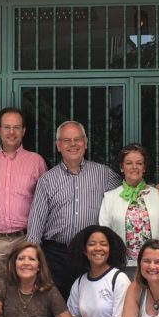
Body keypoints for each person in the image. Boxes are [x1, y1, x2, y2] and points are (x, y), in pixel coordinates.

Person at [27, 120, 120, 298]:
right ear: (58, 145)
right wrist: (32, 257)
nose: (73, 144)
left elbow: (128, 192)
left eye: (77, 139)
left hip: (90, 254)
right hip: (55, 256)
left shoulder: (104, 175)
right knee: (56, 307)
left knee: (91, 305)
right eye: (66, 140)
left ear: (85, 143)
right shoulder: (47, 180)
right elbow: (36, 224)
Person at [0, 108, 47, 296]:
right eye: (7, 127)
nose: (11, 132)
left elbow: (45, 203)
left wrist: (34, 242)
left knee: (25, 295)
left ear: (23, 131)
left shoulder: (36, 162)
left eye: (16, 127)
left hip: (23, 241)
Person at [98, 143, 159, 274]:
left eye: (139, 163)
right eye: (129, 163)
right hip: (121, 267)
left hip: (156, 266)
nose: (134, 167)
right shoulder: (110, 197)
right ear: (122, 167)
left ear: (144, 167)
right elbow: (104, 233)